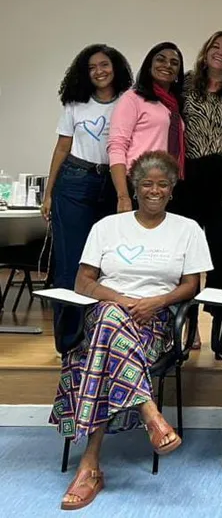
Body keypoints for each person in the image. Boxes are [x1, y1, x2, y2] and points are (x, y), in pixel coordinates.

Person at [50, 151, 212, 511]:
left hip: (154, 324)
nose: (154, 190)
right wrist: (122, 300)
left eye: (162, 184)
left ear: (172, 190)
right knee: (110, 316)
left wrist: (156, 302)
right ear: (134, 188)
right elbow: (83, 282)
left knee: (102, 346)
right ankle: (149, 412)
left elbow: (192, 285)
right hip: (106, 316)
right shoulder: (107, 227)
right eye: (146, 184)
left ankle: (89, 466)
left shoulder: (187, 229)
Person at [41, 44, 133, 349]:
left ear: (115, 67)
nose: (99, 71)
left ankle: (100, 338)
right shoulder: (75, 104)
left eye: (104, 65)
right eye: (92, 67)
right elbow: (62, 148)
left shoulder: (128, 101)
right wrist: (49, 193)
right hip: (75, 183)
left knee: (109, 265)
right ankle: (69, 343)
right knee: (71, 264)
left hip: (114, 184)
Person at [182, 31, 222, 347]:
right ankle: (189, 325)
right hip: (189, 176)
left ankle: (220, 327)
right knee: (187, 256)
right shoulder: (186, 84)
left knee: (220, 254)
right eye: (215, 47)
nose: (221, 52)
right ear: (206, 51)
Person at [108, 42, 186, 213]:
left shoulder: (174, 105)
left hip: (165, 184)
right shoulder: (133, 98)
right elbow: (117, 146)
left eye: (174, 63)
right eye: (161, 59)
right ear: (149, 65)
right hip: (137, 183)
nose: (167, 65)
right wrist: (123, 196)